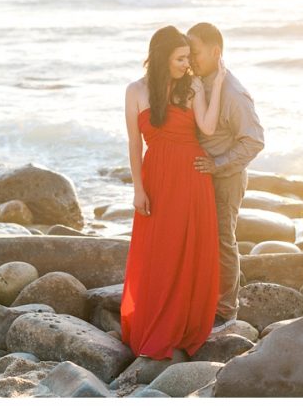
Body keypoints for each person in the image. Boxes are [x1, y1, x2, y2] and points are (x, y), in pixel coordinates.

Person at [120, 25, 227, 359]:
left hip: (191, 177)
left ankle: (184, 325)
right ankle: (155, 323)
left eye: (188, 57)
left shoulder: (192, 85)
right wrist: (138, 189)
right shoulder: (135, 91)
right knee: (159, 251)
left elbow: (207, 127)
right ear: (162, 57)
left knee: (188, 249)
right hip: (156, 178)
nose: (187, 64)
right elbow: (134, 145)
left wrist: (219, 83)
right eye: (180, 58)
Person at [187, 22, 265, 332]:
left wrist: (218, 164)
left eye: (195, 52)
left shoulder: (233, 92)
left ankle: (226, 310)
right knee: (202, 240)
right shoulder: (199, 81)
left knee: (222, 240)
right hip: (205, 175)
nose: (191, 58)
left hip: (226, 177)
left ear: (215, 51)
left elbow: (255, 140)